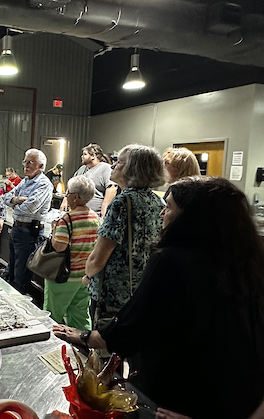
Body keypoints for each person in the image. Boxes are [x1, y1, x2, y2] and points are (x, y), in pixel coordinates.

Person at [54, 177, 264, 419]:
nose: (162, 213)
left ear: (191, 217)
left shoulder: (173, 260)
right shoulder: (249, 264)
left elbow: (136, 327)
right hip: (235, 402)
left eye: (170, 206)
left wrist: (85, 336)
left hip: (175, 399)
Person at [83, 144, 165, 325]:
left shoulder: (122, 202)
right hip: (142, 288)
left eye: (119, 162)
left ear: (133, 169)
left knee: (105, 347)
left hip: (113, 293)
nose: (113, 166)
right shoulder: (158, 201)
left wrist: (87, 276)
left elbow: (99, 257)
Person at [44, 176, 100, 330]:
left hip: (64, 276)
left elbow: (59, 247)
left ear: (75, 197)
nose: (66, 196)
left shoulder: (67, 219)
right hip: (84, 277)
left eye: (68, 192)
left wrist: (55, 230)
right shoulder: (96, 218)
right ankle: (83, 349)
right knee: (80, 315)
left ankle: (53, 349)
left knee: (52, 316)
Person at [3, 149, 53, 294]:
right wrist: (17, 200)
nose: (25, 165)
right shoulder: (25, 182)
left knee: (21, 274)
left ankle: (19, 305)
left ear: (41, 166)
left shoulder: (44, 184)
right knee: (11, 269)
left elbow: (29, 208)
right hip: (17, 229)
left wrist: (15, 205)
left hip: (29, 232)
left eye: (30, 162)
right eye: (25, 161)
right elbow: (5, 198)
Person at [61, 143, 117, 215]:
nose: (82, 156)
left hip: (95, 214)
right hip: (76, 213)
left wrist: (105, 209)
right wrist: (65, 199)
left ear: (93, 156)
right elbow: (71, 185)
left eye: (85, 154)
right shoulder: (82, 169)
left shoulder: (105, 168)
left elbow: (112, 188)